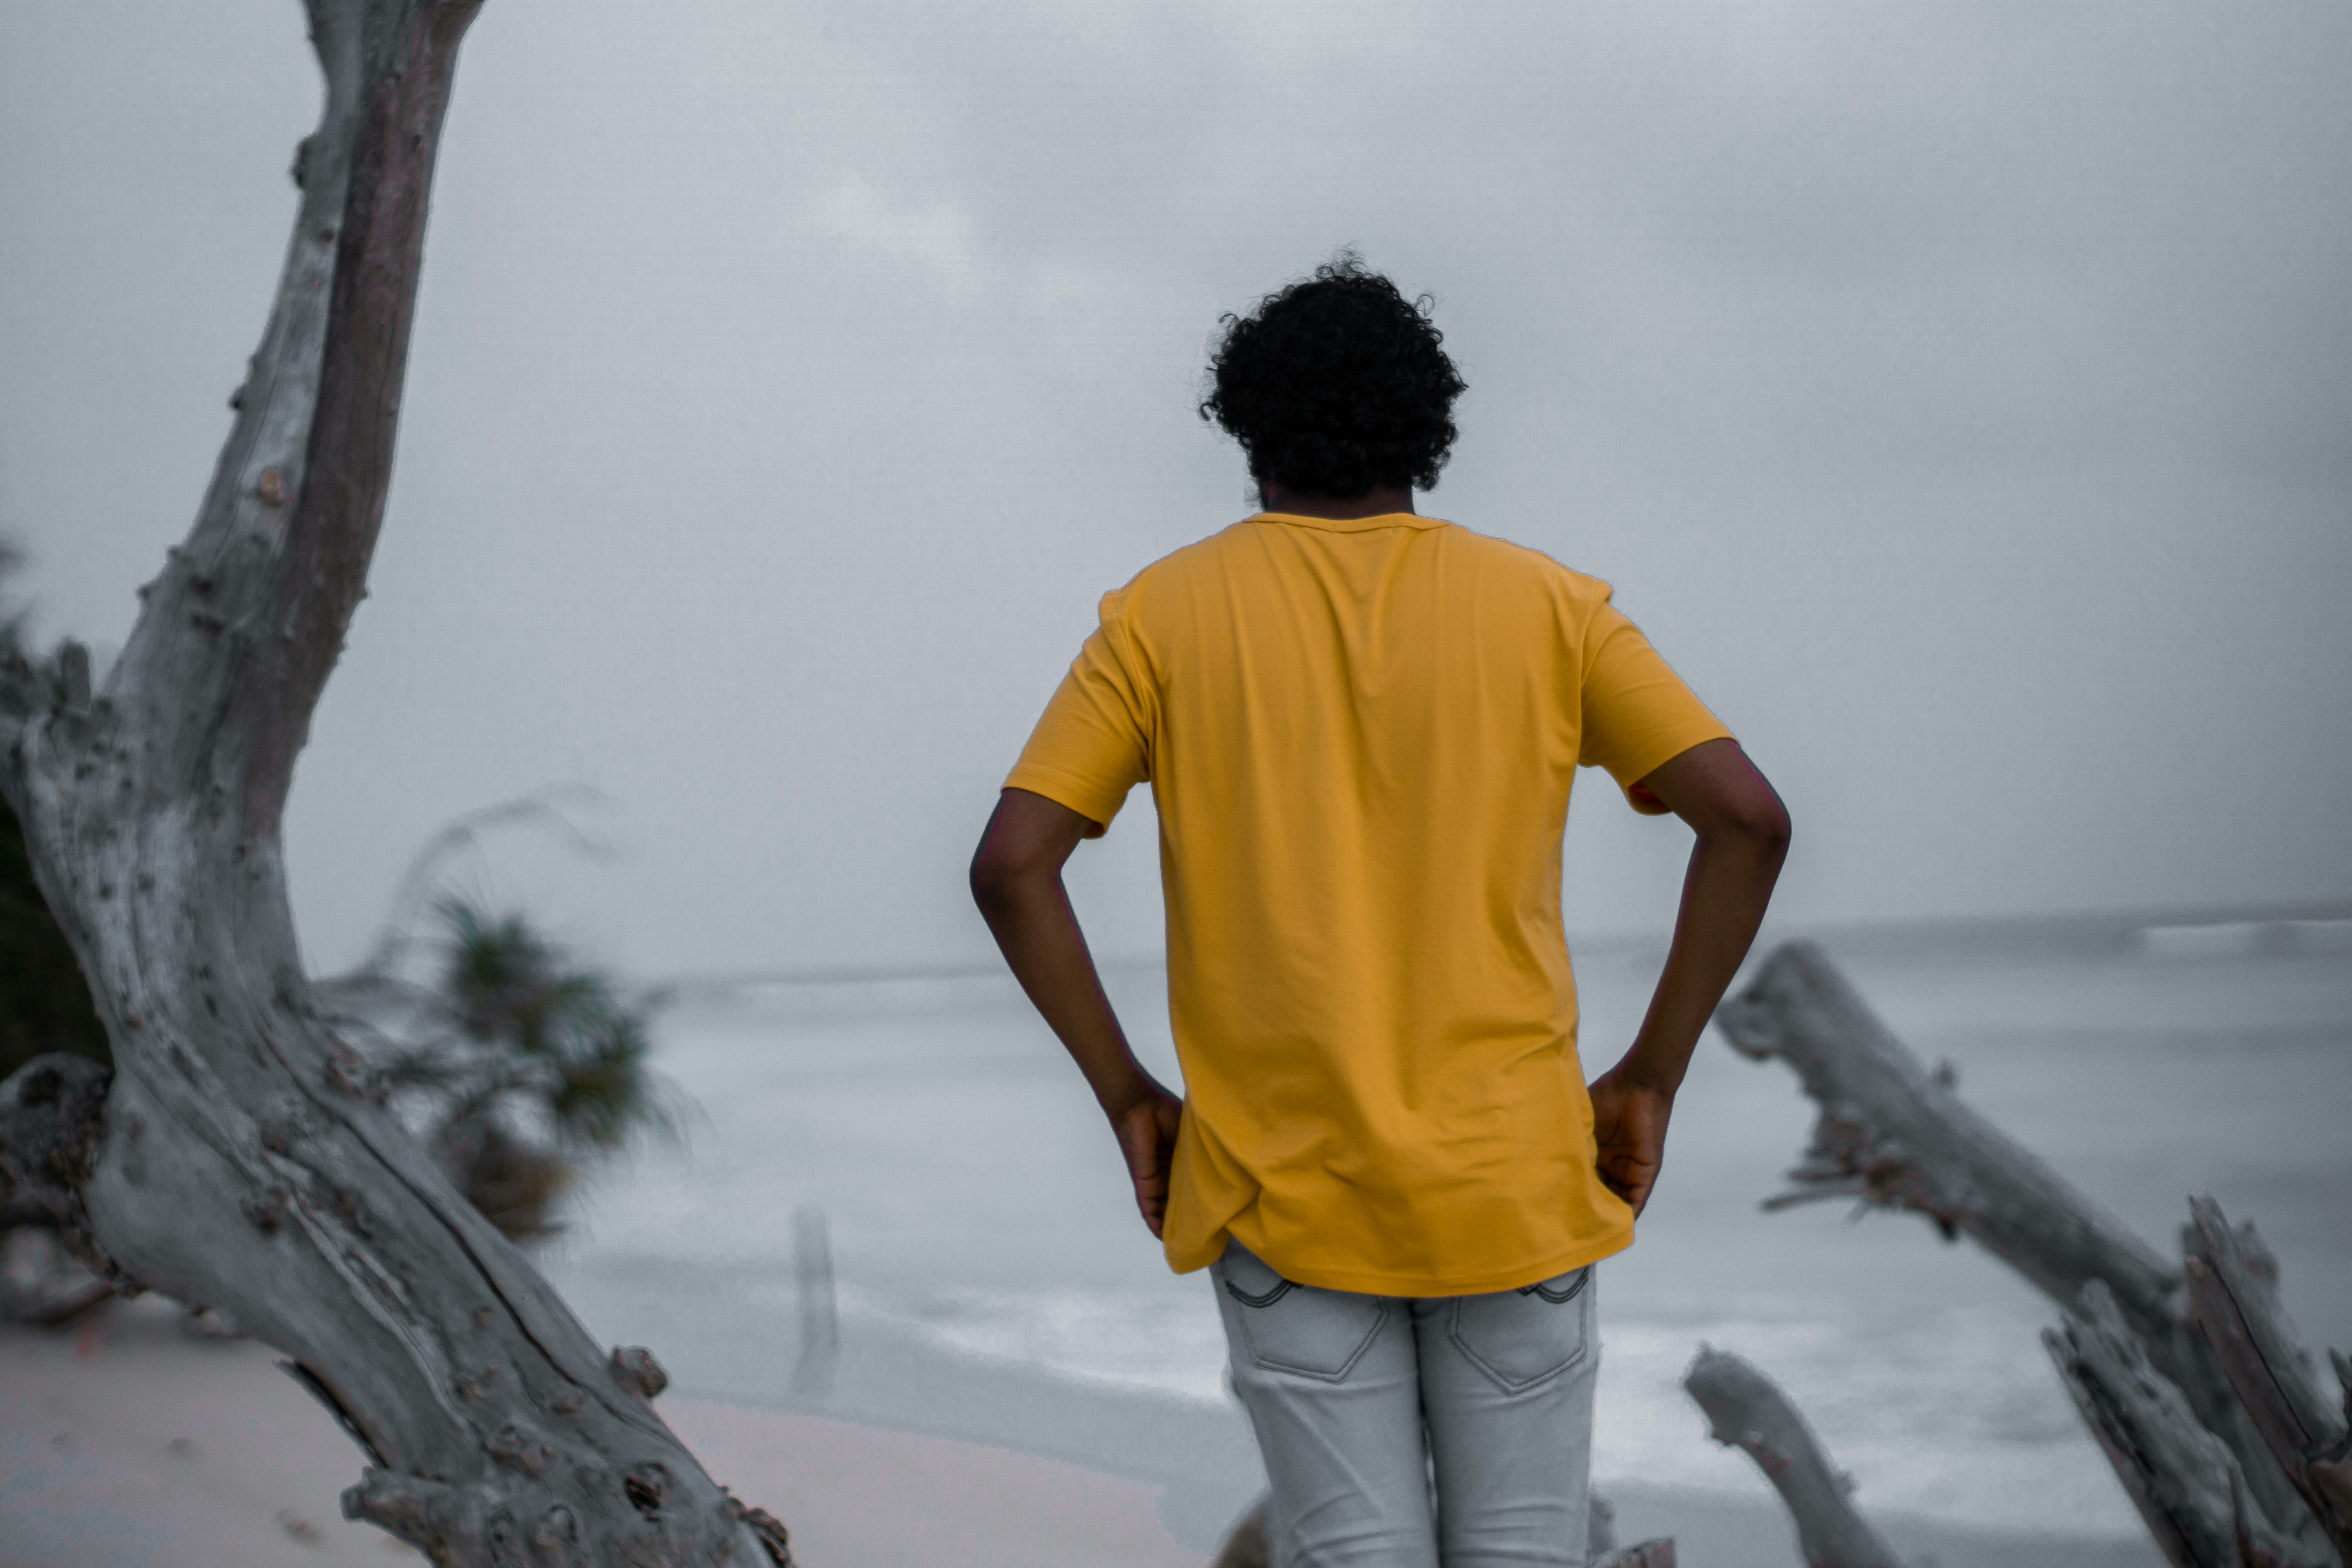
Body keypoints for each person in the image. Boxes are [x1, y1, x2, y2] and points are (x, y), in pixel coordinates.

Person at [969, 256, 1789, 1568]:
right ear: (1430, 426)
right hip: (1513, 1190)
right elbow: (1747, 820)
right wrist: (1650, 1074)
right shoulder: (1551, 608)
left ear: (1248, 431)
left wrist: (1131, 1094)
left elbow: (1014, 864)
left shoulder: (1160, 617)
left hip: (1283, 1197)